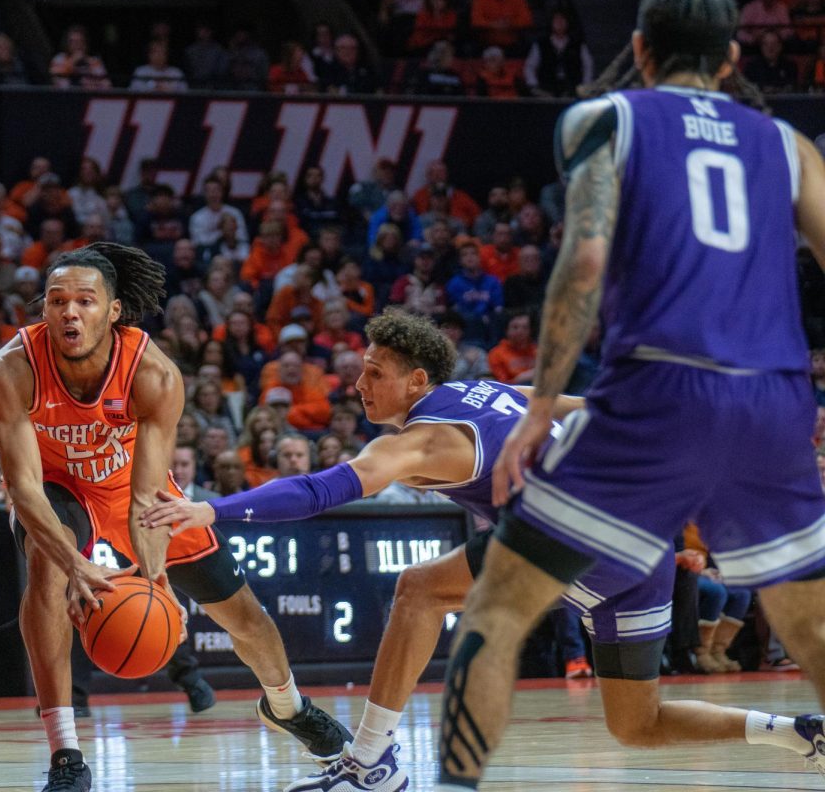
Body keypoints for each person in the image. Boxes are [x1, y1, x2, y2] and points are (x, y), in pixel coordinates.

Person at [142, 310, 825, 791]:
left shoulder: (422, 439)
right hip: (636, 551)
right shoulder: (491, 391)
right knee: (636, 723)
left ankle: (370, 762)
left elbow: (324, 490)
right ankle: (795, 731)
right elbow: (580, 405)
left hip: (577, 533)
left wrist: (214, 509)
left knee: (416, 590)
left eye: (374, 372)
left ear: (416, 382)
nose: (358, 384)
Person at [447, 0, 825, 788]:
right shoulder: (787, 143)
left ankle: (456, 782)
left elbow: (583, 263)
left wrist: (542, 406)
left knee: (498, 611)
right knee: (816, 634)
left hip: (656, 393)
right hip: (775, 401)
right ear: (731, 60)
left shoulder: (608, 118)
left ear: (643, 51)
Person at [0, 242, 350, 791]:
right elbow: (22, 487)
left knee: (243, 614)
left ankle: (288, 705)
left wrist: (155, 580)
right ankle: (66, 754)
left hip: (134, 488)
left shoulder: (152, 372)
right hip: (60, 489)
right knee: (47, 566)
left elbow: (146, 498)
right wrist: (74, 566)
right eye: (56, 300)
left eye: (85, 300)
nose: (69, 312)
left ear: (112, 311)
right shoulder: (11, 368)